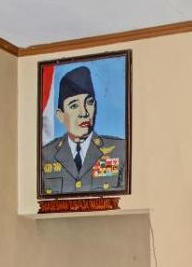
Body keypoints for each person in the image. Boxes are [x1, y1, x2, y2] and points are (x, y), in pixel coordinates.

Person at [40, 66, 127, 194]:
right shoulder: (45, 154)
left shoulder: (121, 150)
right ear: (60, 115)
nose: (84, 113)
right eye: (74, 105)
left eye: (89, 103)